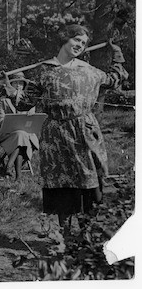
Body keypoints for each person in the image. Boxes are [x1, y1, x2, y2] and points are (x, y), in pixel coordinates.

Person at [14, 24, 128, 231]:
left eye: (83, 43)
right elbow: (24, 103)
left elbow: (114, 79)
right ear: (65, 38)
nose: (80, 45)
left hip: (85, 133)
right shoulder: (44, 71)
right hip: (56, 136)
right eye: (76, 40)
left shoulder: (89, 71)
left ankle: (86, 235)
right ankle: (65, 234)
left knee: (90, 182)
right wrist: (9, 86)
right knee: (61, 185)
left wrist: (117, 53)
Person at [0, 71, 39, 180]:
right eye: (15, 83)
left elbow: (33, 122)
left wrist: (31, 116)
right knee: (20, 135)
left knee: (21, 135)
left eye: (21, 83)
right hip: (7, 134)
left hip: (27, 135)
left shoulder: (28, 101)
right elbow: (1, 120)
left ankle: (9, 167)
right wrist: (11, 121)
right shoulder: (3, 100)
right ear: (11, 85)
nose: (18, 85)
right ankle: (17, 175)